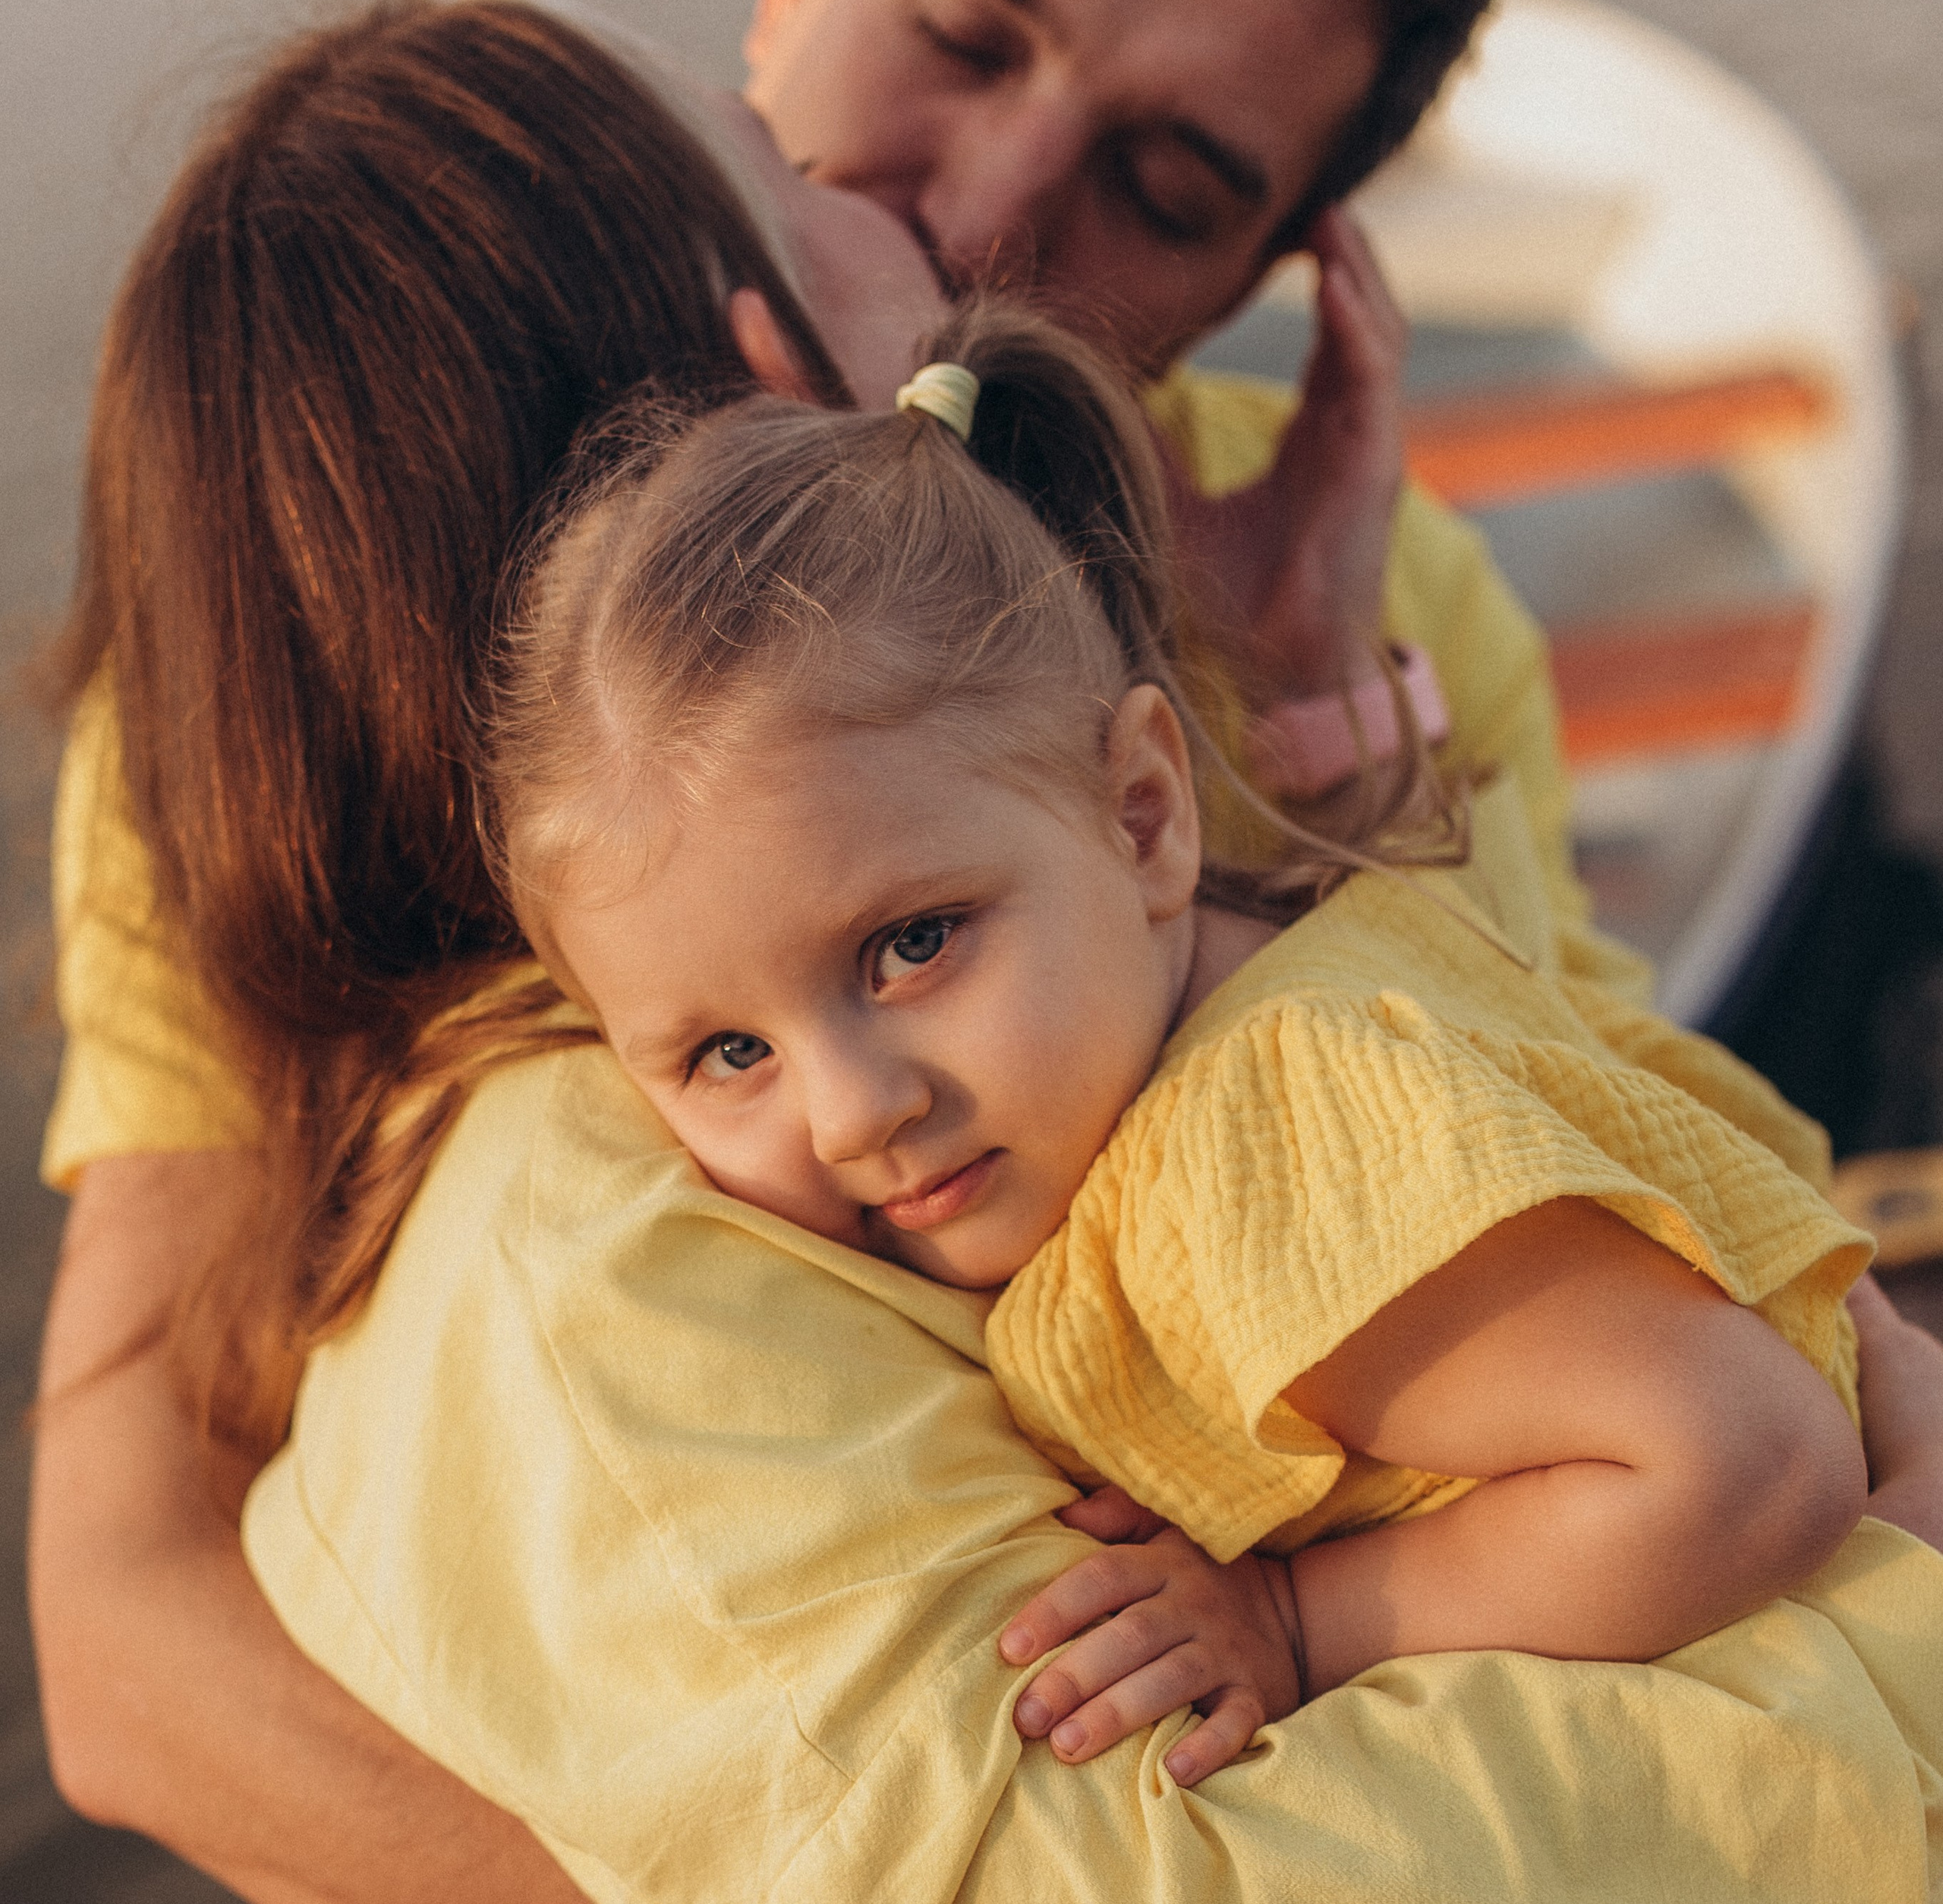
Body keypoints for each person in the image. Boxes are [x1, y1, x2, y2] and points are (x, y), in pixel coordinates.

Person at [12, 0, 1943, 1904]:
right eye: (786, 176)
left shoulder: (1072, 847)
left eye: (1177, 178)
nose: (949, 215)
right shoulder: (607, 1230)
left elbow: (1639, 1162)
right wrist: (1848, 1857)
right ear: (708, 385)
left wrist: (1325, 724)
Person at [474, 302, 1883, 1792]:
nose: (847, 1113)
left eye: (910, 945)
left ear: (1144, 813)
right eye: (724, 1052)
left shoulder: (1257, 1151)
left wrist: (1292, 1617)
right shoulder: (1201, 992)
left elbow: (1752, 1462)